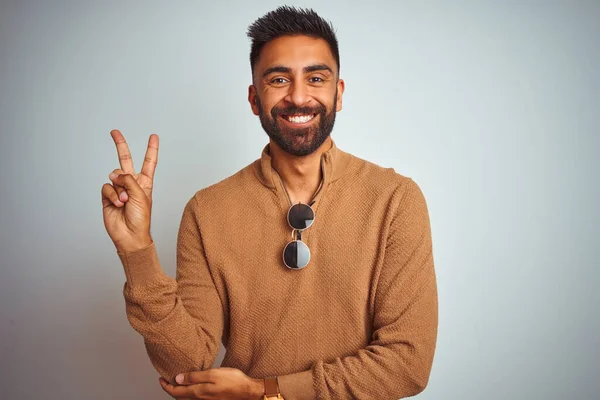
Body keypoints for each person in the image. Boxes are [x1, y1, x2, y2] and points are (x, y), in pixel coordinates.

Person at [101, 6, 438, 400]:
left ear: (338, 93)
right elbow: (185, 366)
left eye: (316, 78)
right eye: (279, 79)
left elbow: (407, 364)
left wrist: (267, 392)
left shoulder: (396, 200)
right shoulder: (206, 211)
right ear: (254, 98)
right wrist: (136, 250)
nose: (298, 96)